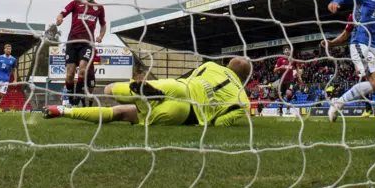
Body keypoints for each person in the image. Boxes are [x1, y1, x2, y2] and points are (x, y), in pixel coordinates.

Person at [43, 58, 251, 127]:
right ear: (244, 78)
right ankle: (144, 103)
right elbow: (219, 124)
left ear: (228, 65)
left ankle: (61, 110)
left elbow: (190, 78)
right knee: (124, 113)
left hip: (176, 87)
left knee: (110, 91)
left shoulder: (211, 65)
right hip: (186, 113)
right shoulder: (244, 100)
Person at [321, 13, 375, 119]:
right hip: (363, 50)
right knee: (372, 81)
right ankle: (366, 109)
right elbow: (345, 35)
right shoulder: (354, 15)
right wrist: (332, 43)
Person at [56, 0, 106, 106]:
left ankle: (78, 97)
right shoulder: (76, 3)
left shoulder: (99, 8)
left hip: (87, 43)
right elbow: (63, 12)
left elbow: (103, 24)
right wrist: (60, 18)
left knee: (83, 70)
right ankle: (71, 96)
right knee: (69, 75)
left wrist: (100, 35)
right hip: (72, 42)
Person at [274, 46, 303, 116]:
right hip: (282, 81)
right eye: (286, 50)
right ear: (283, 52)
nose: (287, 51)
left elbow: (297, 68)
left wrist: (299, 77)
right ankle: (280, 110)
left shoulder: (292, 60)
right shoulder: (280, 60)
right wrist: (280, 67)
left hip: (290, 80)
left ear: (290, 51)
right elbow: (274, 70)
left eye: (288, 50)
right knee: (281, 95)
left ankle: (288, 108)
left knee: (289, 93)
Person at [0, 44, 17, 112]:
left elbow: (14, 70)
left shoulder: (13, 59)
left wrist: (15, 80)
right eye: (7, 49)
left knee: (1, 95)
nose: (8, 50)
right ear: (4, 50)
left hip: (6, 80)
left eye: (10, 49)